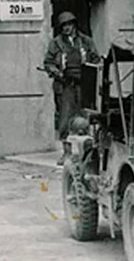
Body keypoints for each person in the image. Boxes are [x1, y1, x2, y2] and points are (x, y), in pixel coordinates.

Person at [43, 11, 101, 165]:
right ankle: (66, 153)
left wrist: (88, 59)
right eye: (63, 26)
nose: (66, 28)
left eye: (69, 25)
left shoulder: (86, 41)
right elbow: (48, 62)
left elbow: (97, 59)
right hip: (66, 85)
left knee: (87, 117)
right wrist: (56, 70)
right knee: (64, 119)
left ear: (74, 25)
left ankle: (88, 153)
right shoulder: (56, 43)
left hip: (84, 85)